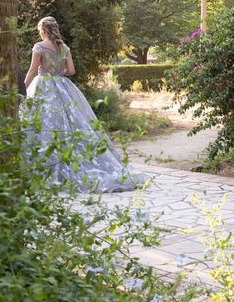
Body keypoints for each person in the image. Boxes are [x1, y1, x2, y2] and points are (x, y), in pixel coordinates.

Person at [20, 16, 147, 192]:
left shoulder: (39, 47)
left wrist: (23, 89)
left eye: (40, 31)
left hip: (43, 87)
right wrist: (58, 72)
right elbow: (71, 71)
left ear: (44, 31)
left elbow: (33, 70)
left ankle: (46, 166)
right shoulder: (64, 48)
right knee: (73, 124)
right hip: (64, 87)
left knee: (43, 125)